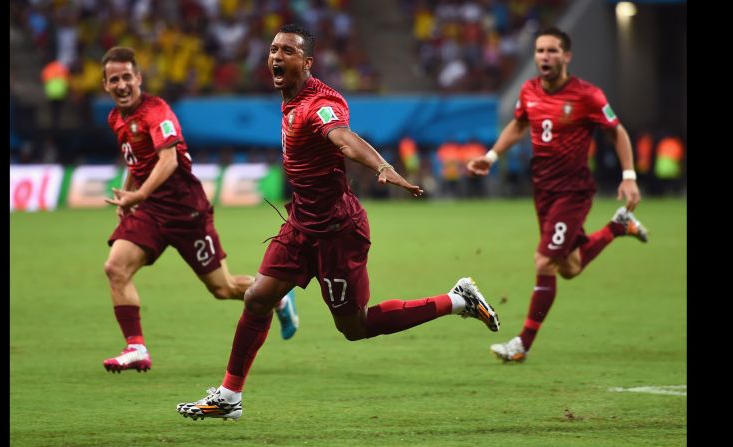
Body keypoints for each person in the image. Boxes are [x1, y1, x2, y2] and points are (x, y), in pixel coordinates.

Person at [175, 24, 501, 420]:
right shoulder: (289, 97)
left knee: (354, 327)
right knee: (257, 297)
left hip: (337, 233)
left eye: (288, 51)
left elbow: (344, 139)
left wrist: (382, 166)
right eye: (274, 49)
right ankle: (229, 397)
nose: (277, 56)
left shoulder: (321, 104)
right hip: (301, 225)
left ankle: (457, 301)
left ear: (307, 62)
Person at [99, 47, 299, 373]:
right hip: (151, 211)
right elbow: (135, 160)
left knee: (222, 288)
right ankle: (135, 347)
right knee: (115, 268)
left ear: (138, 78)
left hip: (186, 212)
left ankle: (277, 297)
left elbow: (169, 159)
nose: (121, 85)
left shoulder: (157, 112)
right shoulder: (115, 119)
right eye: (113, 79)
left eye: (126, 77)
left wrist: (138, 195)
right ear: (105, 85)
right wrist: (130, 195)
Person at [466, 27, 649, 363]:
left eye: (552, 51)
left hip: (573, 191)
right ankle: (618, 227)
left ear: (566, 56)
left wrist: (629, 176)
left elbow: (617, 131)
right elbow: (520, 125)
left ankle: (522, 343)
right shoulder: (529, 90)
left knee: (544, 261)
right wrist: (491, 157)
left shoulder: (588, 95)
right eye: (539, 51)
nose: (544, 57)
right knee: (569, 266)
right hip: (544, 192)